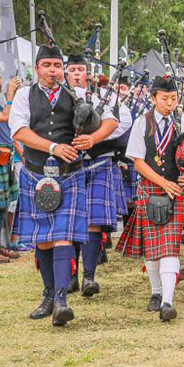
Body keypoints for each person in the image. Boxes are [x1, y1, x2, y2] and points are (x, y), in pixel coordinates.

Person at [11, 44, 90, 326]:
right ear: (37, 68)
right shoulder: (24, 95)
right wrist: (54, 147)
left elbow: (109, 122)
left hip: (69, 174)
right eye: (47, 66)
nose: (52, 71)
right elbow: (19, 131)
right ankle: (48, 295)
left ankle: (60, 299)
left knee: (63, 236)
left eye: (57, 66)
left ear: (63, 69)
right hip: (35, 173)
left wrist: (91, 134)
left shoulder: (77, 95)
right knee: (43, 239)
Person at [116, 75, 184, 321]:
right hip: (151, 189)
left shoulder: (182, 122)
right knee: (152, 249)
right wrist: (163, 182)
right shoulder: (141, 123)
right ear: (153, 97)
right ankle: (155, 292)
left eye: (174, 99)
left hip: (176, 192)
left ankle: (167, 300)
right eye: (165, 98)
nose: (170, 103)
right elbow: (137, 160)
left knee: (169, 248)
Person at [69, 54, 131, 297]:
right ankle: (71, 277)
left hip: (99, 162)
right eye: (72, 69)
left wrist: (96, 137)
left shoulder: (102, 97)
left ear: (88, 73)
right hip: (70, 164)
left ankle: (89, 278)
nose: (76, 73)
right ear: (67, 72)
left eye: (80, 69)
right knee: (71, 223)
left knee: (93, 222)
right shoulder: (61, 99)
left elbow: (122, 121)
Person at [0, 71, 21, 263]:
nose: (1, 89)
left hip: (4, 160)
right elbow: (4, 117)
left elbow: (11, 118)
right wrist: (9, 96)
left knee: (2, 206)